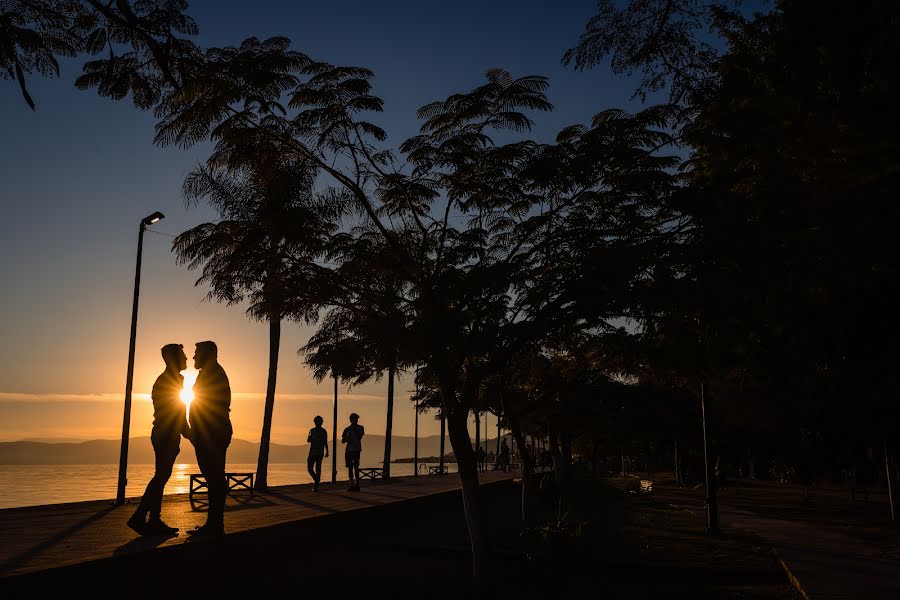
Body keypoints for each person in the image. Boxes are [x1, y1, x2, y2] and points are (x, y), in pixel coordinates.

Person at [127, 343, 191, 536]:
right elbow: (176, 412)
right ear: (173, 358)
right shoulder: (169, 380)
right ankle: (140, 517)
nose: (186, 358)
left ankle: (153, 520)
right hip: (166, 433)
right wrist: (192, 435)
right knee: (161, 476)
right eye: (182, 354)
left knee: (161, 477)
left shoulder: (173, 379)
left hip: (166, 433)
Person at [186, 341, 232, 538]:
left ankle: (215, 525)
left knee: (214, 478)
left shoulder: (214, 373)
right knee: (213, 478)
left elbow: (212, 406)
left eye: (197, 353)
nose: (194, 357)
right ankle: (213, 523)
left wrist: (198, 431)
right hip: (207, 433)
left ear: (210, 353)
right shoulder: (206, 372)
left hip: (212, 433)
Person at [341, 413, 364, 491]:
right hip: (349, 450)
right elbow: (343, 440)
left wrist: (354, 430)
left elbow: (359, 437)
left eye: (356, 419)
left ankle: (357, 484)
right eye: (354, 419)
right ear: (350, 420)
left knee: (356, 467)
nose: (356, 420)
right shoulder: (346, 429)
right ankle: (351, 484)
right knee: (350, 468)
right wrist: (347, 439)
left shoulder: (361, 428)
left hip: (356, 449)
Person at [307, 415, 328, 492]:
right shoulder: (312, 431)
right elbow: (308, 440)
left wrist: (327, 451)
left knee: (315, 468)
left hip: (316, 452)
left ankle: (316, 484)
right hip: (316, 452)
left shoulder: (322, 431)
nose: (318, 423)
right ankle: (317, 480)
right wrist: (327, 451)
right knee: (313, 468)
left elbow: (325, 442)